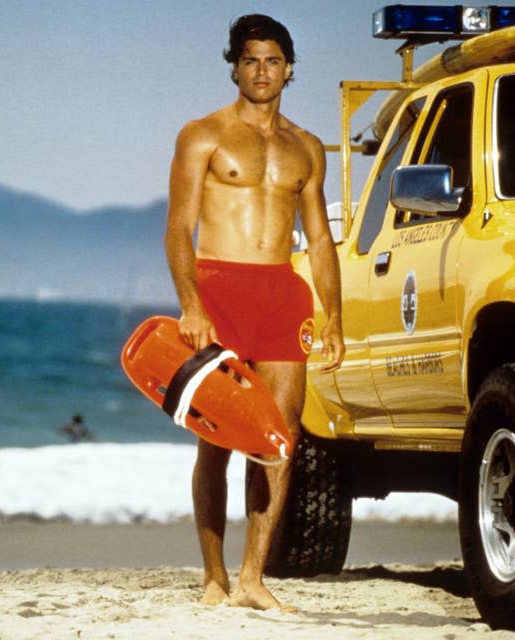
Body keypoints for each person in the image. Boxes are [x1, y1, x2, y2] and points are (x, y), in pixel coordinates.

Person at [164, 14, 345, 611]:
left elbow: (318, 240)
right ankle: (214, 575)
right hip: (218, 290)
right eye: (250, 60)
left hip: (281, 292)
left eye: (272, 61)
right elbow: (179, 228)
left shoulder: (307, 148)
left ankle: (251, 577)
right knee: (214, 440)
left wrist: (334, 319)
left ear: (289, 69)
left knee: (280, 438)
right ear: (234, 65)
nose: (261, 71)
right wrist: (191, 303)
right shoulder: (203, 135)